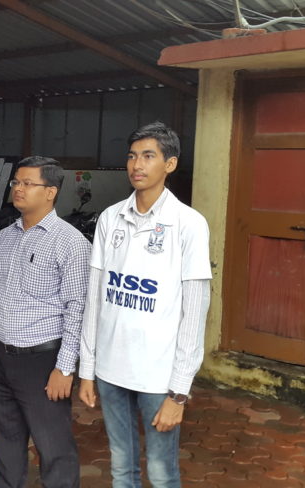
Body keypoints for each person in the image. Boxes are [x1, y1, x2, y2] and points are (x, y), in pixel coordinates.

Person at [78, 121, 212, 487]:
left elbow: (194, 313)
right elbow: (95, 298)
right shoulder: (110, 218)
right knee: (121, 465)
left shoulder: (188, 224)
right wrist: (87, 369)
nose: (137, 164)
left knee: (161, 471)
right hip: (110, 370)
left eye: (148, 156)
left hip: (158, 375)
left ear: (170, 164)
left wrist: (178, 393)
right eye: (132, 156)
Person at [0, 156, 91, 488]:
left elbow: (77, 309)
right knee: (5, 444)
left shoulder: (70, 243)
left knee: (54, 449)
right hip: (0, 358)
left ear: (51, 191)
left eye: (28, 183)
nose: (18, 189)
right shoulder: (3, 238)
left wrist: (64, 368)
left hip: (42, 361)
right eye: (16, 182)